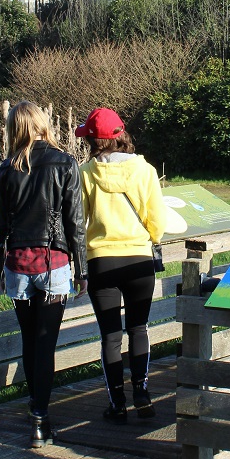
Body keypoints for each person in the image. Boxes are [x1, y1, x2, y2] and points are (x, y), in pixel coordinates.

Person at [0, 100, 87, 448]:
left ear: (15, 128)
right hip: (53, 263)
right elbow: (75, 223)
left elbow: (3, 223)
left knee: (29, 341)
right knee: (46, 344)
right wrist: (83, 269)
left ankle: (36, 414)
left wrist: (0, 264)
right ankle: (39, 419)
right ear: (42, 123)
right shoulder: (65, 163)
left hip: (18, 264)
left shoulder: (8, 167)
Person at [76, 107, 167, 423]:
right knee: (138, 328)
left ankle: (117, 403)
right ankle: (141, 391)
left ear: (93, 140)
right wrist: (149, 237)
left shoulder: (86, 174)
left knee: (111, 337)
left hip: (102, 261)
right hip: (139, 260)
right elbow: (158, 222)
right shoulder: (146, 171)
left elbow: (79, 221)